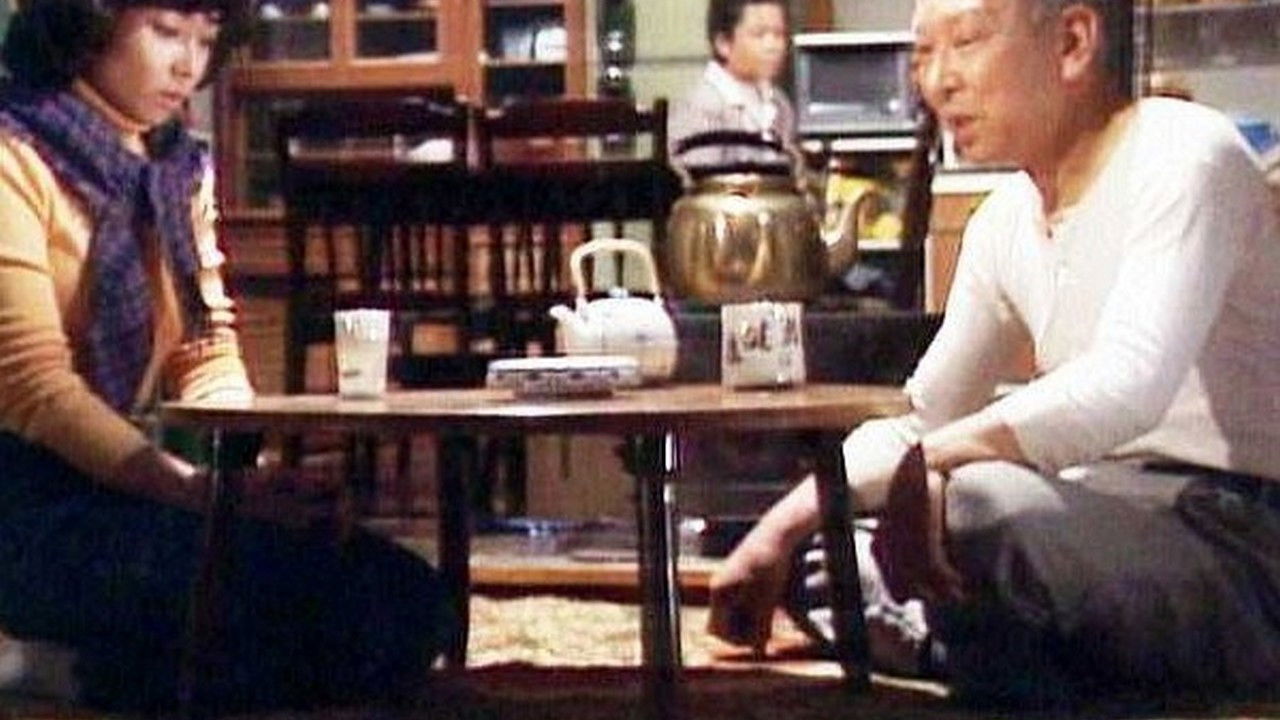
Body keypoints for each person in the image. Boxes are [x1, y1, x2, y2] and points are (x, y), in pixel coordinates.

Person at [709, 0, 1280, 709]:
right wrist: (773, 533)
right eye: (924, 55)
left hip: (1234, 532)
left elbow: (1128, 384)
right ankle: (1027, 655)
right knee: (822, 549)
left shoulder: (1185, 151)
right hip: (1083, 519)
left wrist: (938, 464)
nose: (938, 81)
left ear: (1072, 43)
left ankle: (974, 649)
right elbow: (922, 415)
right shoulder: (1003, 218)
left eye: (967, 43)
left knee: (977, 509)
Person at [0, 0, 453, 713]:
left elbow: (205, 345)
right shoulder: (13, 153)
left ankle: (79, 664)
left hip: (129, 489)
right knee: (296, 612)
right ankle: (55, 667)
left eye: (206, 39)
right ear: (88, 27)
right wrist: (198, 492)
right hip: (27, 503)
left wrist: (248, 480)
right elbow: (34, 387)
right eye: (166, 32)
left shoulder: (174, 167)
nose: (189, 64)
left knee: (406, 599)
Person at [668, 0, 795, 166]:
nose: (772, 46)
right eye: (759, 35)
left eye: (779, 34)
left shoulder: (779, 102)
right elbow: (694, 175)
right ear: (724, 44)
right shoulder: (702, 105)